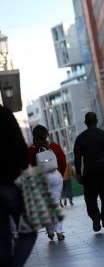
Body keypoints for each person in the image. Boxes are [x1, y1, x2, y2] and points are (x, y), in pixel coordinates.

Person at [0, 105, 37, 267]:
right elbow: (20, 146)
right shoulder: (3, 114)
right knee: (28, 231)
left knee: (2, 236)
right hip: (10, 182)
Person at [74, 112, 104, 232]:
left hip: (90, 170)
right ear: (97, 121)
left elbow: (77, 157)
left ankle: (95, 215)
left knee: (90, 197)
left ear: (85, 122)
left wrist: (78, 172)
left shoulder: (80, 138)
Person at [28, 125, 67, 241]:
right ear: (47, 134)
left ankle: (50, 231)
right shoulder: (54, 147)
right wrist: (58, 173)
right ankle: (59, 232)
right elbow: (63, 162)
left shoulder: (30, 151)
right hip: (55, 176)